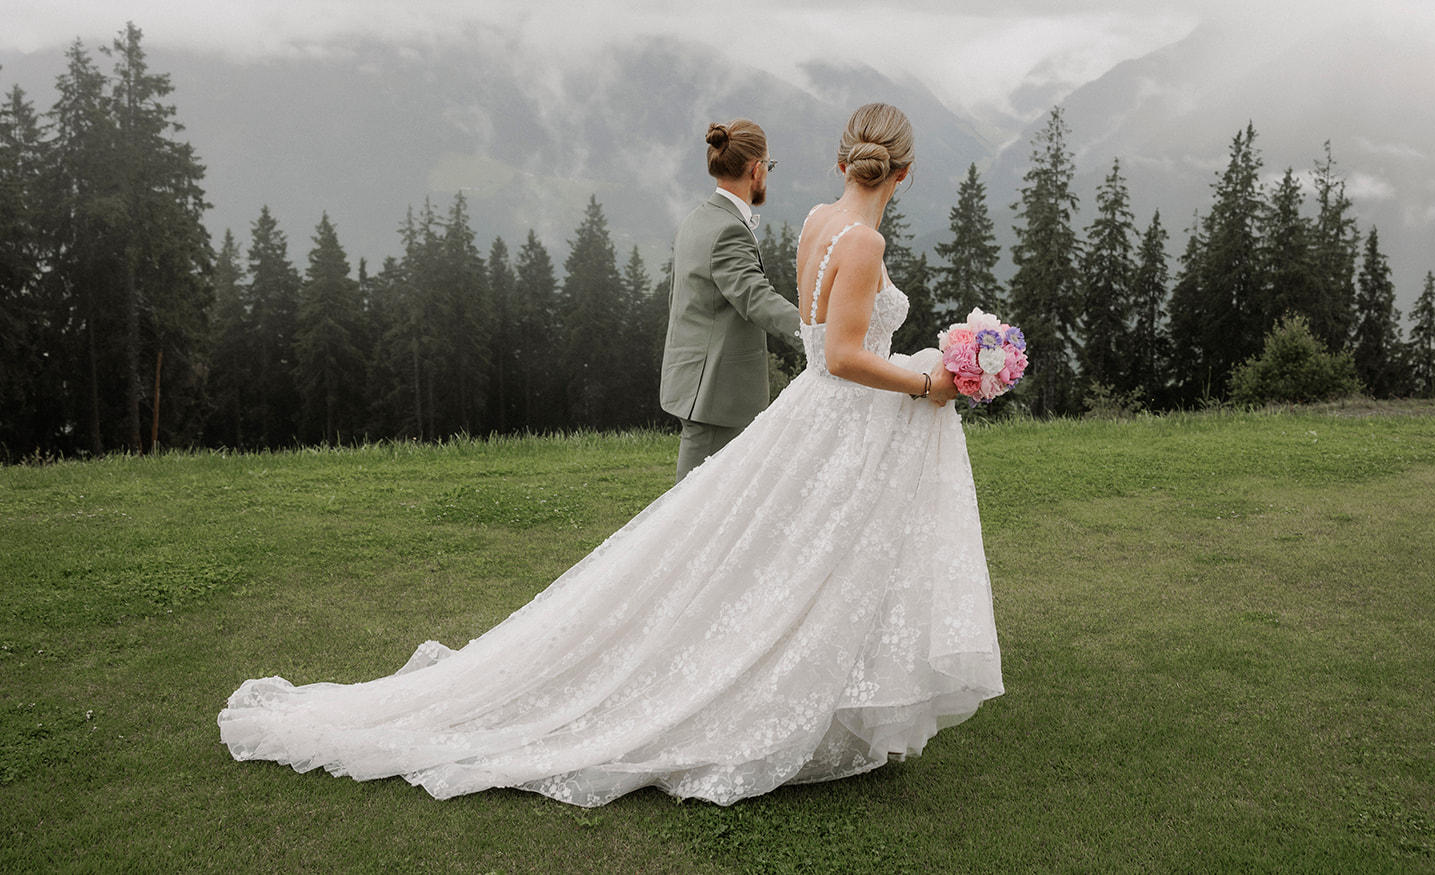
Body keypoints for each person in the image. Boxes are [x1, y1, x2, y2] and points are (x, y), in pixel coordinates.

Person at [218, 102, 1003, 808]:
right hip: (841, 416)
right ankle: (781, 694)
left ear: (844, 161)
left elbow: (808, 329)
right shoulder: (863, 239)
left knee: (802, 559)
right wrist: (928, 377)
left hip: (813, 416)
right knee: (810, 560)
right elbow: (839, 354)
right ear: (904, 171)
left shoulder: (814, 222)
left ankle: (831, 689)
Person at [660, 120, 803, 482]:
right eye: (768, 167)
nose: (767, 175)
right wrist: (816, 332)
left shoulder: (696, 219)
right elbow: (755, 297)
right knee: (693, 512)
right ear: (756, 169)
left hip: (696, 383)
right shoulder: (728, 230)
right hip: (716, 393)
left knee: (708, 507)